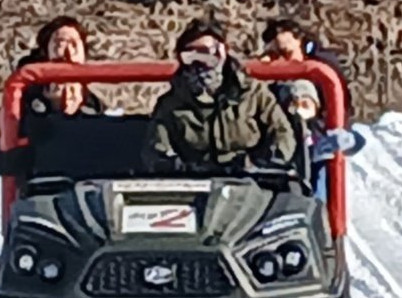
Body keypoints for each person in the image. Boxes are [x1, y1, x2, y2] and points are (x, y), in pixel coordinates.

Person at [143, 18, 296, 173]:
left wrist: (258, 164)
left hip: (253, 181)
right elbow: (157, 154)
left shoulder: (253, 93)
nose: (201, 63)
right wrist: (186, 170)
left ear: (222, 52)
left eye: (206, 53)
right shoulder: (171, 105)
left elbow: (282, 135)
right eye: (191, 55)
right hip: (196, 185)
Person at [0, 16, 104, 177]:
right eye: (60, 43)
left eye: (75, 44)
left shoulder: (94, 106)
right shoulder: (25, 100)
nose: (68, 51)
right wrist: (10, 159)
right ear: (45, 52)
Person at [278, 78, 365, 200]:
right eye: (293, 105)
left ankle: (322, 208)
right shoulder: (282, 126)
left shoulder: (319, 126)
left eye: (305, 105)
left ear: (316, 105)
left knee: (325, 167)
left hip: (314, 175)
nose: (298, 111)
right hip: (290, 177)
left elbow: (359, 141)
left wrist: (347, 140)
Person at [260, 17, 354, 124]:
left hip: (325, 121)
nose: (283, 44)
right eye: (280, 48)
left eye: (287, 41)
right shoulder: (275, 68)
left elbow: (337, 92)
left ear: (298, 38)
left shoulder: (322, 59)